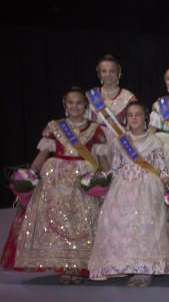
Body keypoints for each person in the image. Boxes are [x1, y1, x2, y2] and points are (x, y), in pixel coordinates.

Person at [15, 88, 109, 283]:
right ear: (65, 105)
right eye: (71, 103)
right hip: (56, 180)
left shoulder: (95, 129)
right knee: (58, 220)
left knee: (81, 221)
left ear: (86, 106)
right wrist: (28, 177)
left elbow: (102, 160)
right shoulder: (54, 127)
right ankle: (66, 266)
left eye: (79, 103)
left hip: (83, 181)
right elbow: (42, 156)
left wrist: (107, 180)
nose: (75, 106)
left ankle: (80, 266)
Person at [88, 102, 169, 286]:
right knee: (120, 224)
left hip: (147, 187)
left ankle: (144, 269)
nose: (134, 118)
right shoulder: (121, 141)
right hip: (123, 187)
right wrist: (102, 182)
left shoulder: (155, 141)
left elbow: (162, 168)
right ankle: (124, 264)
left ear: (145, 118)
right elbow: (116, 167)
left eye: (138, 115)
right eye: (131, 115)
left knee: (144, 226)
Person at [87, 54, 136, 133]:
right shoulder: (89, 96)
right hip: (95, 140)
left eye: (112, 71)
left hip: (120, 140)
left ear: (118, 73)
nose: (108, 74)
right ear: (99, 74)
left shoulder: (129, 97)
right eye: (104, 71)